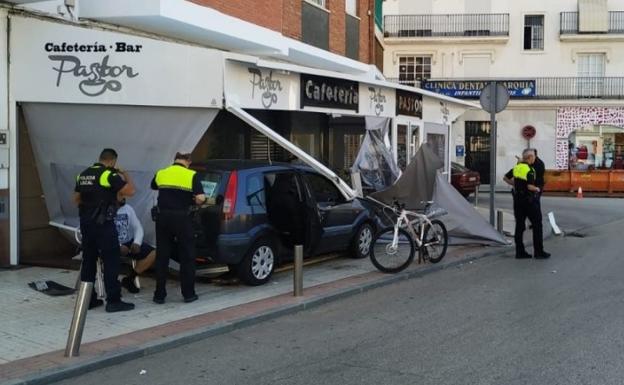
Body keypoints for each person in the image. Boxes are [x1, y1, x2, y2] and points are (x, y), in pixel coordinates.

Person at [74, 148, 136, 312]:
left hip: (86, 224)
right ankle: (114, 301)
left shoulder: (83, 174)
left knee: (88, 261)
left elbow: (76, 199)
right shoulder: (108, 174)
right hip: (104, 224)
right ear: (112, 161)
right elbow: (130, 191)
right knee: (111, 261)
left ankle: (88, 300)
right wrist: (125, 174)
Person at [151, 152, 206, 304]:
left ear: (174, 160)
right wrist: (197, 199)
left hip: (162, 218)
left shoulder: (161, 173)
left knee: (162, 256)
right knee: (187, 256)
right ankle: (188, 294)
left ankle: (159, 295)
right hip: (182, 219)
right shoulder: (191, 175)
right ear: (188, 160)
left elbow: (154, 186)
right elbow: (200, 198)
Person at [503, 149, 551, 260]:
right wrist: (537, 189)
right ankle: (538, 252)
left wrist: (515, 184)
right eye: (534, 156)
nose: (535, 158)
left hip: (517, 200)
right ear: (529, 157)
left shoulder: (516, 167)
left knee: (519, 226)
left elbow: (505, 177)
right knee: (537, 225)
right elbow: (530, 186)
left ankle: (519, 252)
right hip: (529, 200)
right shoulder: (530, 170)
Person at [114, 199, 156, 294]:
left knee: (154, 253)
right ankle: (113, 286)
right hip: (111, 244)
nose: (124, 197)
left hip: (128, 242)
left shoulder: (128, 209)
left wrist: (137, 242)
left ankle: (130, 278)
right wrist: (118, 246)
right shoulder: (106, 210)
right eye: (121, 195)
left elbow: (138, 227)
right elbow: (104, 233)